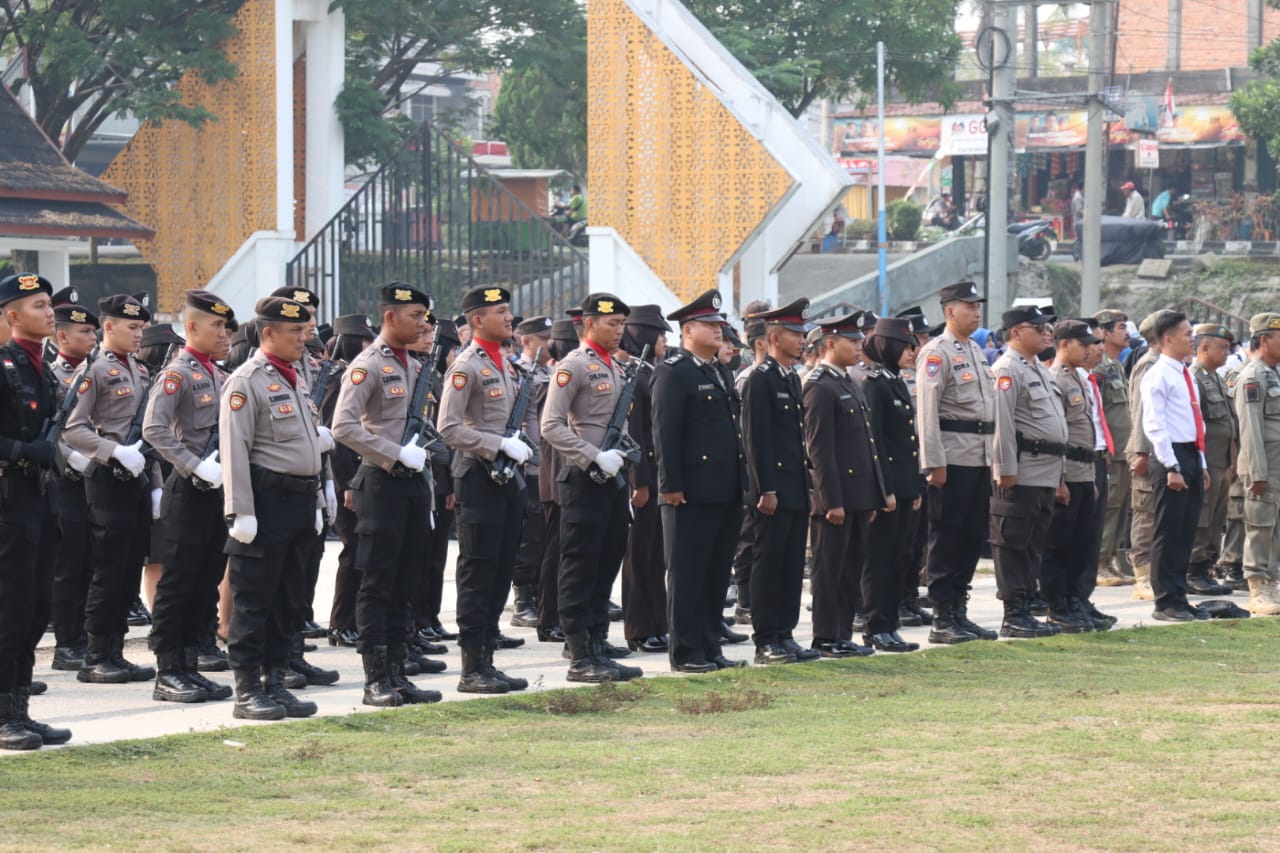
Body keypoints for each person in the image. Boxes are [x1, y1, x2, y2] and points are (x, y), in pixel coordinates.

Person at [330, 284, 443, 707]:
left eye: (425, 316)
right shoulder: (368, 365)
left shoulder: (412, 365)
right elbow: (343, 426)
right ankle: (375, 678)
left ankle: (398, 670)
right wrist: (395, 454)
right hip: (380, 481)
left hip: (412, 482)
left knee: (405, 580)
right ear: (390, 317)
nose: (423, 324)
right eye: (415, 315)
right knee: (377, 582)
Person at [220, 296, 327, 720]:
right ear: (268, 334)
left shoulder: (294, 376)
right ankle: (247, 689)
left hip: (300, 499)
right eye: (295, 332)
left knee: (289, 598)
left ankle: (276, 682)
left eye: (304, 330)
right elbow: (235, 448)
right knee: (255, 599)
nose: (304, 338)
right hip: (265, 501)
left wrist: (317, 499)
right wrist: (239, 510)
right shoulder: (246, 380)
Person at [541, 293, 644, 683]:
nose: (619, 331)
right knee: (580, 565)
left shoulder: (615, 367)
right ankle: (580, 652)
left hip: (612, 479)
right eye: (611, 324)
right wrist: (592, 456)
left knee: (606, 563)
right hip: (583, 478)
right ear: (589, 325)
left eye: (621, 324)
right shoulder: (574, 366)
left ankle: (598, 644)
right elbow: (551, 425)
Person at [141, 289, 237, 704]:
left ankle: (192, 661)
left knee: (206, 578)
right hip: (190, 486)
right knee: (179, 582)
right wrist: (191, 463)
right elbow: (153, 429)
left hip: (216, 489)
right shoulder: (177, 373)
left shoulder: (217, 374)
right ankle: (169, 669)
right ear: (192, 327)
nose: (224, 333)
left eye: (226, 326)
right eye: (216, 325)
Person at [438, 285, 533, 693]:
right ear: (477, 320)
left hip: (508, 477)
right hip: (478, 477)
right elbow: (449, 427)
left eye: (508, 311)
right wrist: (496, 444)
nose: (509, 318)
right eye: (500, 312)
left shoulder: (507, 365)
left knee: (500, 569)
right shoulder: (467, 366)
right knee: (478, 570)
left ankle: (488, 660)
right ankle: (471, 667)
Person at [64, 294, 159, 686]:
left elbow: (148, 436)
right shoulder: (96, 371)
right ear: (108, 327)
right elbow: (73, 428)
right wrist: (112, 451)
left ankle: (116, 652)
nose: (139, 335)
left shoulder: (138, 368)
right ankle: (96, 654)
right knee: (107, 569)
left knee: (128, 569)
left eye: (141, 328)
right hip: (107, 479)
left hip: (136, 478)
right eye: (132, 327)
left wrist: (155, 486)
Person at [651, 289, 746, 673]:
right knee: (688, 573)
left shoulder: (719, 372)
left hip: (724, 488)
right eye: (710, 324)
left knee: (715, 573)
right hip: (688, 492)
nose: (718, 330)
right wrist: (670, 484)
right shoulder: (674, 373)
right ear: (687, 330)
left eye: (719, 324)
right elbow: (665, 433)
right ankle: (687, 651)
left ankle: (710, 646)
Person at [0, 273, 70, 750]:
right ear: (11, 315)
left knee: (36, 609)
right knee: (10, 610)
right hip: (8, 505)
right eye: (39, 305)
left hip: (40, 502)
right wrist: (24, 450)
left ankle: (21, 708)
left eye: (49, 304)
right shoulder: (4, 366)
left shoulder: (42, 368)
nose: (50, 312)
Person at [915, 280, 998, 643]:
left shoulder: (976, 351)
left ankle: (959, 611)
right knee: (946, 536)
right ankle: (942, 616)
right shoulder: (937, 353)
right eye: (970, 306)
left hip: (979, 456)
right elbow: (927, 411)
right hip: (953, 456)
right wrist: (934, 461)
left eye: (978, 306)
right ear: (950, 311)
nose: (976, 312)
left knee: (971, 536)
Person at [739, 298, 820, 665]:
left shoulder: (789, 377)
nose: (802, 340)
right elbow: (757, 440)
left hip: (795, 485)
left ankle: (785, 634)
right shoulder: (761, 379)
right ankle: (766, 638)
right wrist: (765, 488)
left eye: (803, 333)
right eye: (794, 333)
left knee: (789, 565)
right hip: (772, 488)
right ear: (774, 337)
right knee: (769, 563)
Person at [804, 312, 884, 657]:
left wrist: (872, 497)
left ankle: (841, 635)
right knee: (830, 570)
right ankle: (825, 636)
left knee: (850, 569)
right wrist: (830, 500)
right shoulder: (820, 385)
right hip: (835, 499)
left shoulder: (849, 381)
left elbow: (865, 446)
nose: (858, 346)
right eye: (851, 341)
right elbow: (820, 451)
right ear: (830, 344)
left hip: (856, 495)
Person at [988, 305, 1066, 638]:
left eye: (1048, 328)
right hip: (1022, 472)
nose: (1047, 333)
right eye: (1039, 328)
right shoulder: (1007, 368)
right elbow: (1002, 423)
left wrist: (1060, 476)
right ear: (1017, 332)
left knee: (1033, 544)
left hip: (1045, 472)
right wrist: (1005, 468)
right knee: (1013, 544)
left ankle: (1027, 606)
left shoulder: (1038, 369)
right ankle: (1014, 613)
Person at [1140, 311, 1211, 621]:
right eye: (1186, 333)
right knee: (1168, 531)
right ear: (1168, 339)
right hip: (1171, 456)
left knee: (1185, 531)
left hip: (1191, 454)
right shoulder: (1158, 375)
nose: (1191, 337)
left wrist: (1202, 461)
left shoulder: (1186, 373)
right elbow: (1155, 426)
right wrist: (1172, 466)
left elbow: (1195, 423)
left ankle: (1180, 597)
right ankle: (1165, 600)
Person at [860, 317, 924, 652]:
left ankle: (889, 623)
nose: (912, 352)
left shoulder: (897, 382)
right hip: (887, 490)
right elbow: (876, 445)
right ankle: (875, 626)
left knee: (898, 557)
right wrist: (884, 490)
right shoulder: (875, 384)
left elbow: (907, 443)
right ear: (887, 345)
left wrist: (913, 487)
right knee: (880, 559)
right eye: (906, 346)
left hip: (904, 487)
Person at [1041, 320, 1106, 632]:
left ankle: (1076, 599)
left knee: (1082, 542)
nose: (1089, 349)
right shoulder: (1055, 378)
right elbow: (1059, 434)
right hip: (1066, 470)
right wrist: (1060, 480)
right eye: (1083, 343)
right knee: (1059, 544)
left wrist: (1090, 477)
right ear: (1064, 344)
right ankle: (1059, 605)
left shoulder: (1078, 378)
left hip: (1085, 469)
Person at [47, 295, 100, 673]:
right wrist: (73, 459)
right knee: (68, 565)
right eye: (84, 331)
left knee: (90, 563)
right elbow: (50, 431)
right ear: (62, 337)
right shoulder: (53, 375)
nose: (93, 337)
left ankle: (84, 637)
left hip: (98, 480)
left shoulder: (97, 373)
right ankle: (66, 643)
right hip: (66, 481)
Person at [324, 315, 377, 648]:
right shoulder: (339, 380)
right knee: (353, 552)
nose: (371, 346)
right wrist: (345, 484)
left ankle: (354, 620)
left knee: (364, 553)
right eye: (365, 340)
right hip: (349, 479)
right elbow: (336, 437)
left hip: (360, 477)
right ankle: (341, 623)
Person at [620, 305, 670, 653]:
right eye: (659, 335)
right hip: (644, 478)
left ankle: (656, 622)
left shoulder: (652, 373)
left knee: (656, 556)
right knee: (639, 557)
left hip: (657, 476)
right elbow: (635, 433)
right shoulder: (633, 376)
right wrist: (639, 481)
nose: (665, 341)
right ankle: (638, 627)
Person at [534, 318, 580, 645]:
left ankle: (560, 616)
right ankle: (548, 618)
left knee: (569, 552)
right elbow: (548, 436)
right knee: (556, 554)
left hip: (568, 477)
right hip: (556, 480)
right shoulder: (552, 380)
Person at [1233, 313, 1280, 615]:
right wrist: (1258, 473)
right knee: (1260, 526)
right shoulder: (1253, 376)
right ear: (1265, 339)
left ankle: (1271, 583)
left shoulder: (1272, 374)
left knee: (1274, 529)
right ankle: (1257, 589)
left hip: (1276, 466)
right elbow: (1250, 428)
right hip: (1262, 467)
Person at [1186, 324, 1238, 597]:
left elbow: (1228, 423)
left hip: (1222, 463)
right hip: (1207, 462)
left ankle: (1205, 567)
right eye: (1222, 347)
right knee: (1202, 518)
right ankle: (1193, 570)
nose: (1227, 352)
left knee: (1216, 519)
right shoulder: (1195, 378)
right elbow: (1197, 425)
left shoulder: (1216, 378)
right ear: (1204, 347)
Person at [1126, 310, 1173, 602]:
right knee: (1145, 513)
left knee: (1157, 513)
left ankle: (1155, 570)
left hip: (1161, 450)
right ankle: (1142, 575)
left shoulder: (1167, 365)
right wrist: (1142, 451)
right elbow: (1142, 411)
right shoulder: (1149, 364)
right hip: (1146, 449)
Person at [509, 316, 553, 629]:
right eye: (543, 338)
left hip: (549, 462)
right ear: (528, 341)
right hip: (528, 464)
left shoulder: (549, 372)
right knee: (530, 536)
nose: (550, 343)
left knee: (546, 536)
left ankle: (540, 593)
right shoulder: (518, 372)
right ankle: (523, 599)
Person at [1091, 309, 1135, 586]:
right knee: (1108, 507)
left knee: (1119, 509)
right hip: (1110, 450)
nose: (1126, 332)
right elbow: (1097, 410)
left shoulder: (1117, 365)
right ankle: (1098, 563)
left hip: (1123, 450)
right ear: (1105, 333)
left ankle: (1109, 559)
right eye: (1120, 327)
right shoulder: (1100, 368)